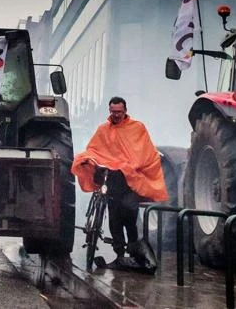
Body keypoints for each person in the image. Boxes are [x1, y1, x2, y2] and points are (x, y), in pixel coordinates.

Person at [72, 96, 168, 271]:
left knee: (129, 213)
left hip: (131, 182)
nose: (116, 115)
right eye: (113, 112)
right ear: (109, 111)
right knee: (114, 215)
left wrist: (129, 166)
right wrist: (89, 160)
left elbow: (145, 152)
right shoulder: (103, 130)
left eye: (119, 112)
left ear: (125, 111)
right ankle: (119, 253)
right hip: (112, 180)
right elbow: (94, 149)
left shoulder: (137, 128)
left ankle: (133, 250)